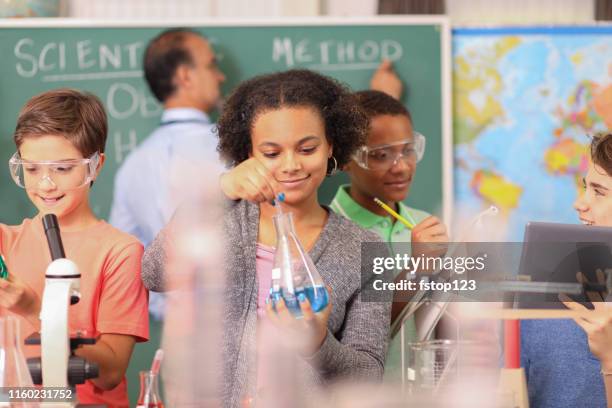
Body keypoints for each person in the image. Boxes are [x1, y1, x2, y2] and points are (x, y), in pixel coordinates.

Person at [141, 69, 391, 405]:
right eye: (272, 153)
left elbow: (369, 377)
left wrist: (319, 343)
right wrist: (220, 190)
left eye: (307, 148)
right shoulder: (220, 221)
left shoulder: (367, 248)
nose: (290, 165)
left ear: (330, 144)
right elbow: (154, 273)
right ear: (248, 154)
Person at [0, 89, 149, 407]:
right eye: (32, 169)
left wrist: (33, 309)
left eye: (62, 169)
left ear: (95, 165)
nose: (45, 184)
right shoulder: (4, 242)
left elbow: (109, 372)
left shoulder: (120, 252)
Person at [109, 28, 226, 247]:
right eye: (211, 65)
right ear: (185, 76)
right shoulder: (228, 146)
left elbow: (122, 249)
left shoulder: (131, 166)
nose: (221, 76)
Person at [522, 132, 612, 408]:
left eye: (599, 191)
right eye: (585, 187)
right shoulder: (543, 300)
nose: (579, 203)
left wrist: (610, 361)